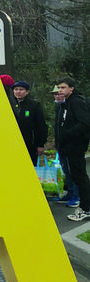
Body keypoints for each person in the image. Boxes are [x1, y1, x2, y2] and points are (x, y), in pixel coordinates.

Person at [54, 77, 90, 222]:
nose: (60, 90)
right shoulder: (67, 102)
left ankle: (86, 208)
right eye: (59, 88)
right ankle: (86, 205)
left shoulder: (76, 101)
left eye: (63, 87)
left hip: (76, 145)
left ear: (71, 88)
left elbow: (85, 123)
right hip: (70, 145)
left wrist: (68, 135)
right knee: (77, 175)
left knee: (79, 176)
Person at [10, 80, 48, 166]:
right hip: (12, 143)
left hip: (30, 144)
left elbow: (41, 125)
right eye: (16, 89)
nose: (18, 92)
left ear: (27, 92)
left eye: (21, 89)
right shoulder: (9, 104)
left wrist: (40, 144)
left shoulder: (34, 105)